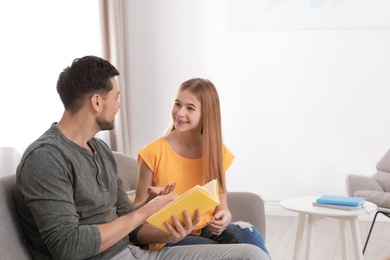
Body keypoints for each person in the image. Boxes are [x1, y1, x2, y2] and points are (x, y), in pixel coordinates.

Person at [13, 56, 270, 260]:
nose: (119, 105)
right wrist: (145, 210)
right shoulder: (46, 158)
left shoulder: (99, 151)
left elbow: (133, 228)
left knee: (251, 254)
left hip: (132, 253)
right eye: (116, 97)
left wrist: (170, 232)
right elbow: (68, 246)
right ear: (96, 103)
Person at [134, 78, 271, 258]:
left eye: (190, 108)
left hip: (205, 228)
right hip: (169, 234)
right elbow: (136, 215)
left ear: (206, 114)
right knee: (221, 251)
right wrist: (152, 200)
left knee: (248, 232)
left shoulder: (216, 153)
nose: (180, 113)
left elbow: (222, 208)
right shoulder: (153, 152)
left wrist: (224, 218)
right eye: (177, 104)